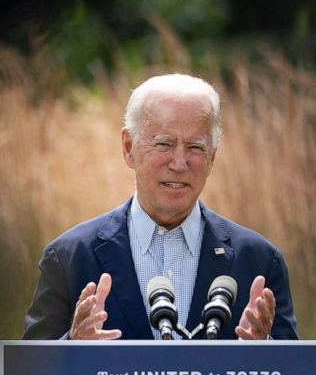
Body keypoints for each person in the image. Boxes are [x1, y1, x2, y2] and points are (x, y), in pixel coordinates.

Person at [23, 73, 298, 341]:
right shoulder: (69, 258)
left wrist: (265, 352)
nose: (179, 163)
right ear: (129, 147)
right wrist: (73, 345)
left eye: (195, 148)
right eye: (164, 144)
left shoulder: (259, 262)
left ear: (212, 157)